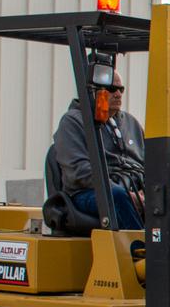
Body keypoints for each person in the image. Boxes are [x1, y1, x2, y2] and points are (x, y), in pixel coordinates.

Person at [52, 72, 145, 229]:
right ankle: (139, 244)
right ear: (92, 90)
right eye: (111, 89)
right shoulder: (73, 122)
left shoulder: (131, 124)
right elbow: (80, 172)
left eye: (121, 89)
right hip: (88, 192)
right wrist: (123, 191)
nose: (118, 94)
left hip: (130, 190)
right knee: (118, 197)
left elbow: (148, 163)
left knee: (169, 199)